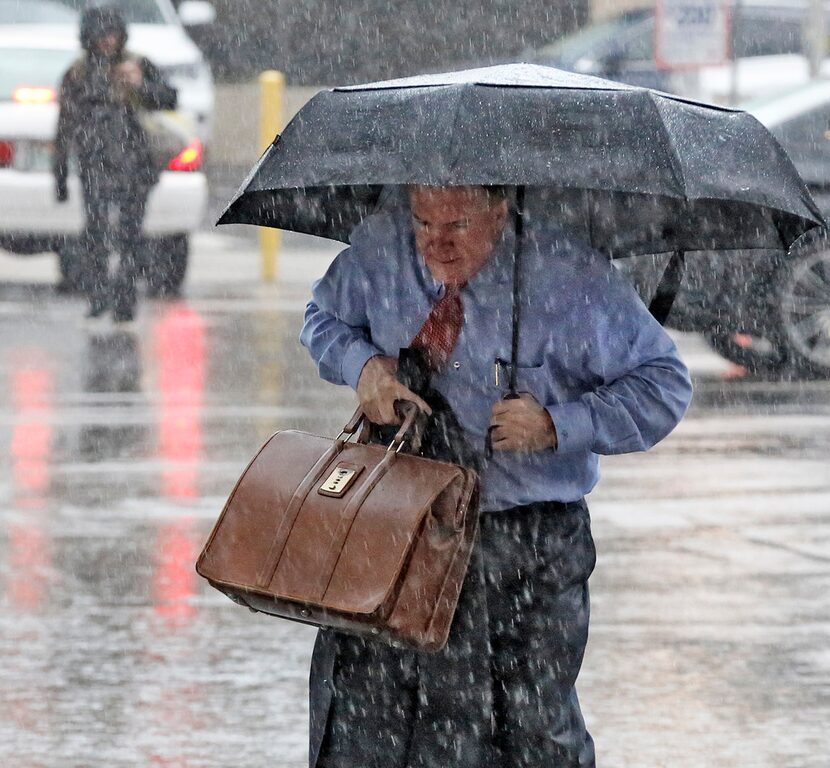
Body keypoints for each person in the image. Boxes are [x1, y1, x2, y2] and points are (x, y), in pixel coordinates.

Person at [300, 185, 693, 767]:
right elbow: (322, 320)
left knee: (533, 732)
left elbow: (664, 385)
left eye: (457, 224)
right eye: (423, 221)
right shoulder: (380, 250)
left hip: (528, 540)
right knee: (376, 722)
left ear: (499, 210)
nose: (436, 242)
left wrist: (559, 424)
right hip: (402, 530)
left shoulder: (571, 277)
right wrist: (363, 368)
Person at [53, 6, 177, 324]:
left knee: (130, 235)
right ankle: (98, 296)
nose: (107, 42)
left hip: (136, 166)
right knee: (95, 234)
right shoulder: (78, 74)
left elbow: (169, 98)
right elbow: (65, 127)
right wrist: (60, 177)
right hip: (95, 166)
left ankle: (124, 299)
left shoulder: (137, 64)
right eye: (100, 36)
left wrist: (139, 85)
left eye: (112, 35)